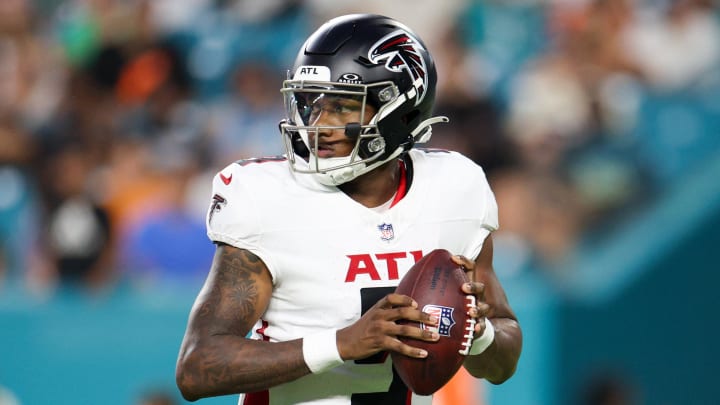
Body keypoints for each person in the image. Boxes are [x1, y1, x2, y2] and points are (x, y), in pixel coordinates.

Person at [176, 14, 522, 404]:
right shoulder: (264, 196)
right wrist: (342, 343)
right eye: (311, 104)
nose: (318, 126)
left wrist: (476, 333)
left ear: (400, 112)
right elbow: (197, 367)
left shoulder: (456, 187)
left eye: (342, 107)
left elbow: (502, 363)